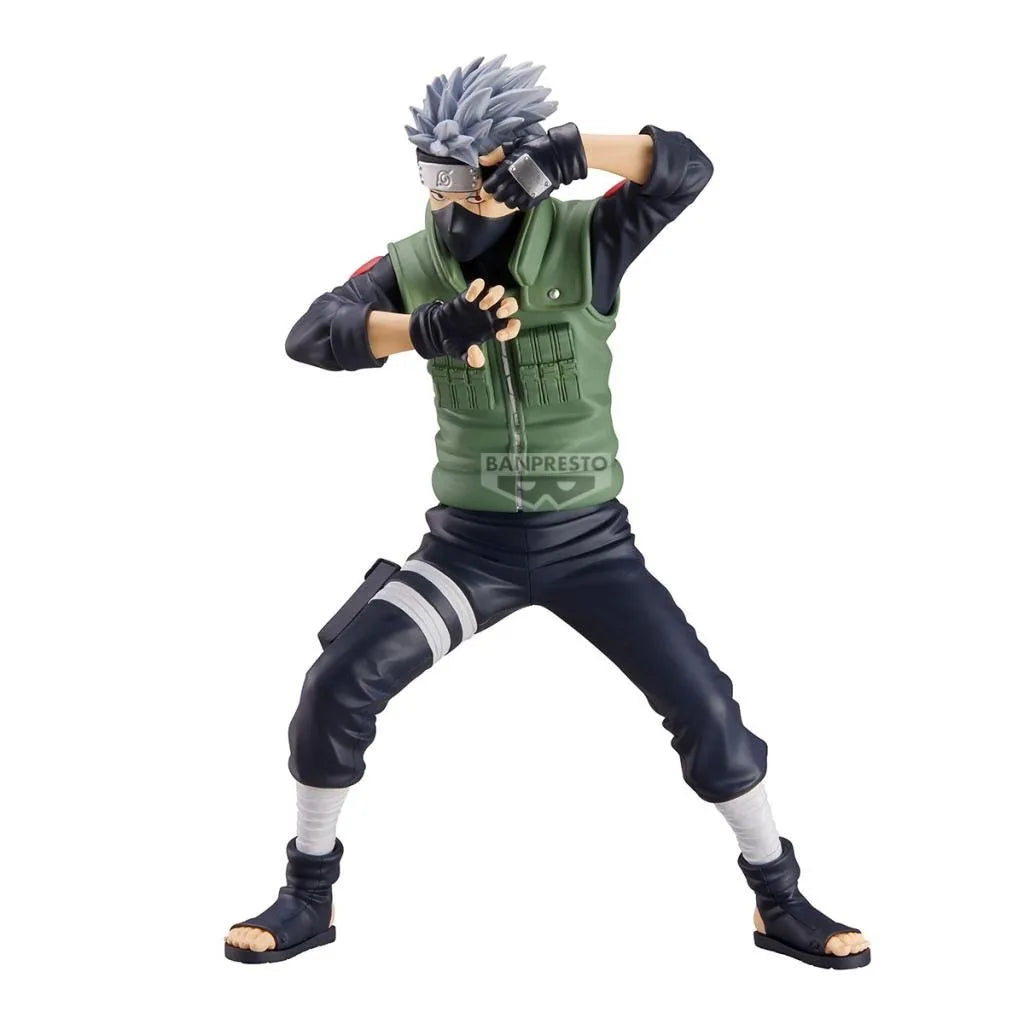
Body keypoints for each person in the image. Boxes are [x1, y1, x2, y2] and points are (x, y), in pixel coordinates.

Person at [225, 55, 870, 970]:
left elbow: (685, 168)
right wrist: (422, 329)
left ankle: (780, 898)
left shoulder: (589, 239)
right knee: (336, 687)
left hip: (591, 545)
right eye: (438, 174)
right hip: (468, 551)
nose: (458, 197)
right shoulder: (411, 266)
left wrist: (573, 152)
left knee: (706, 710)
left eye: (478, 174)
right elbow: (310, 334)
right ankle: (307, 894)